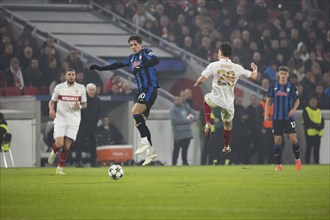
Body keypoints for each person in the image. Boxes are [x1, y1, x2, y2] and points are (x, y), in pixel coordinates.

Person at [90, 34, 159, 166]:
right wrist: (100, 68)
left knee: (134, 112)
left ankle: (145, 142)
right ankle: (150, 152)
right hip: (141, 91)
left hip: (150, 88)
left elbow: (156, 61)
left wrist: (142, 67)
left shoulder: (146, 52)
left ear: (140, 44)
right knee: (138, 121)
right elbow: (115, 65)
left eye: (135, 44)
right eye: (131, 45)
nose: (133, 47)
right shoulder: (131, 59)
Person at [194, 42, 258, 156]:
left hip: (216, 98)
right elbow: (253, 76)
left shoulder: (214, 65)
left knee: (207, 99)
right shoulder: (237, 67)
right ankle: (227, 145)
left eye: (218, 51)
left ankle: (208, 123)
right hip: (228, 102)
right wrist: (255, 69)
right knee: (228, 125)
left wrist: (196, 84)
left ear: (221, 53)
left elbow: (201, 80)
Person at [47, 67, 87, 175]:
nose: (71, 76)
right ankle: (54, 151)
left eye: (73, 74)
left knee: (66, 146)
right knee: (59, 144)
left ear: (75, 75)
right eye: (69, 74)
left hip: (74, 120)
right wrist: (51, 109)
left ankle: (59, 168)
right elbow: (52, 101)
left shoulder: (81, 88)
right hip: (61, 118)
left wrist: (80, 106)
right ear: (65, 76)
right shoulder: (59, 87)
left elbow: (85, 104)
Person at [264, 66, 302, 171]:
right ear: (278, 74)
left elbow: (297, 100)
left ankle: (297, 160)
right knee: (277, 140)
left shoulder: (293, 86)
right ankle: (279, 165)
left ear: (288, 75)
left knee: (293, 139)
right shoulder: (273, 86)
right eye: (281, 73)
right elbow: (268, 101)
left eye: (285, 74)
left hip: (289, 118)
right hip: (277, 118)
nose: (283, 76)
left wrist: (294, 109)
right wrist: (266, 114)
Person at [73, 83, 101, 167]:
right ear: (86, 90)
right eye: (90, 90)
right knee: (79, 143)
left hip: (93, 126)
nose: (91, 91)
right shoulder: (82, 100)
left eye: (93, 90)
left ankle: (93, 162)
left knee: (93, 144)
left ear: (95, 91)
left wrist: (95, 122)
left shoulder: (97, 100)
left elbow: (99, 112)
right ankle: (77, 162)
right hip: (83, 125)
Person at [170, 96, 195, 166]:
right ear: (174, 101)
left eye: (179, 100)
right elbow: (175, 121)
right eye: (176, 100)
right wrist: (187, 121)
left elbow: (194, 113)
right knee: (177, 148)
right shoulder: (173, 110)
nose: (178, 101)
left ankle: (185, 162)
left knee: (185, 148)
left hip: (187, 132)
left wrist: (193, 119)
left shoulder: (186, 108)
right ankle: (174, 162)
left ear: (181, 100)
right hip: (178, 133)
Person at [302, 96, 324, 164]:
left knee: (317, 150)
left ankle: (316, 162)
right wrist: (317, 126)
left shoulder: (318, 110)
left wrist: (320, 127)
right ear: (309, 102)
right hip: (310, 133)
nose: (314, 102)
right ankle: (307, 163)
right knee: (309, 149)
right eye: (312, 101)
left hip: (318, 133)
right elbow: (307, 122)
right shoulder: (306, 110)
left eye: (315, 101)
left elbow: (322, 121)